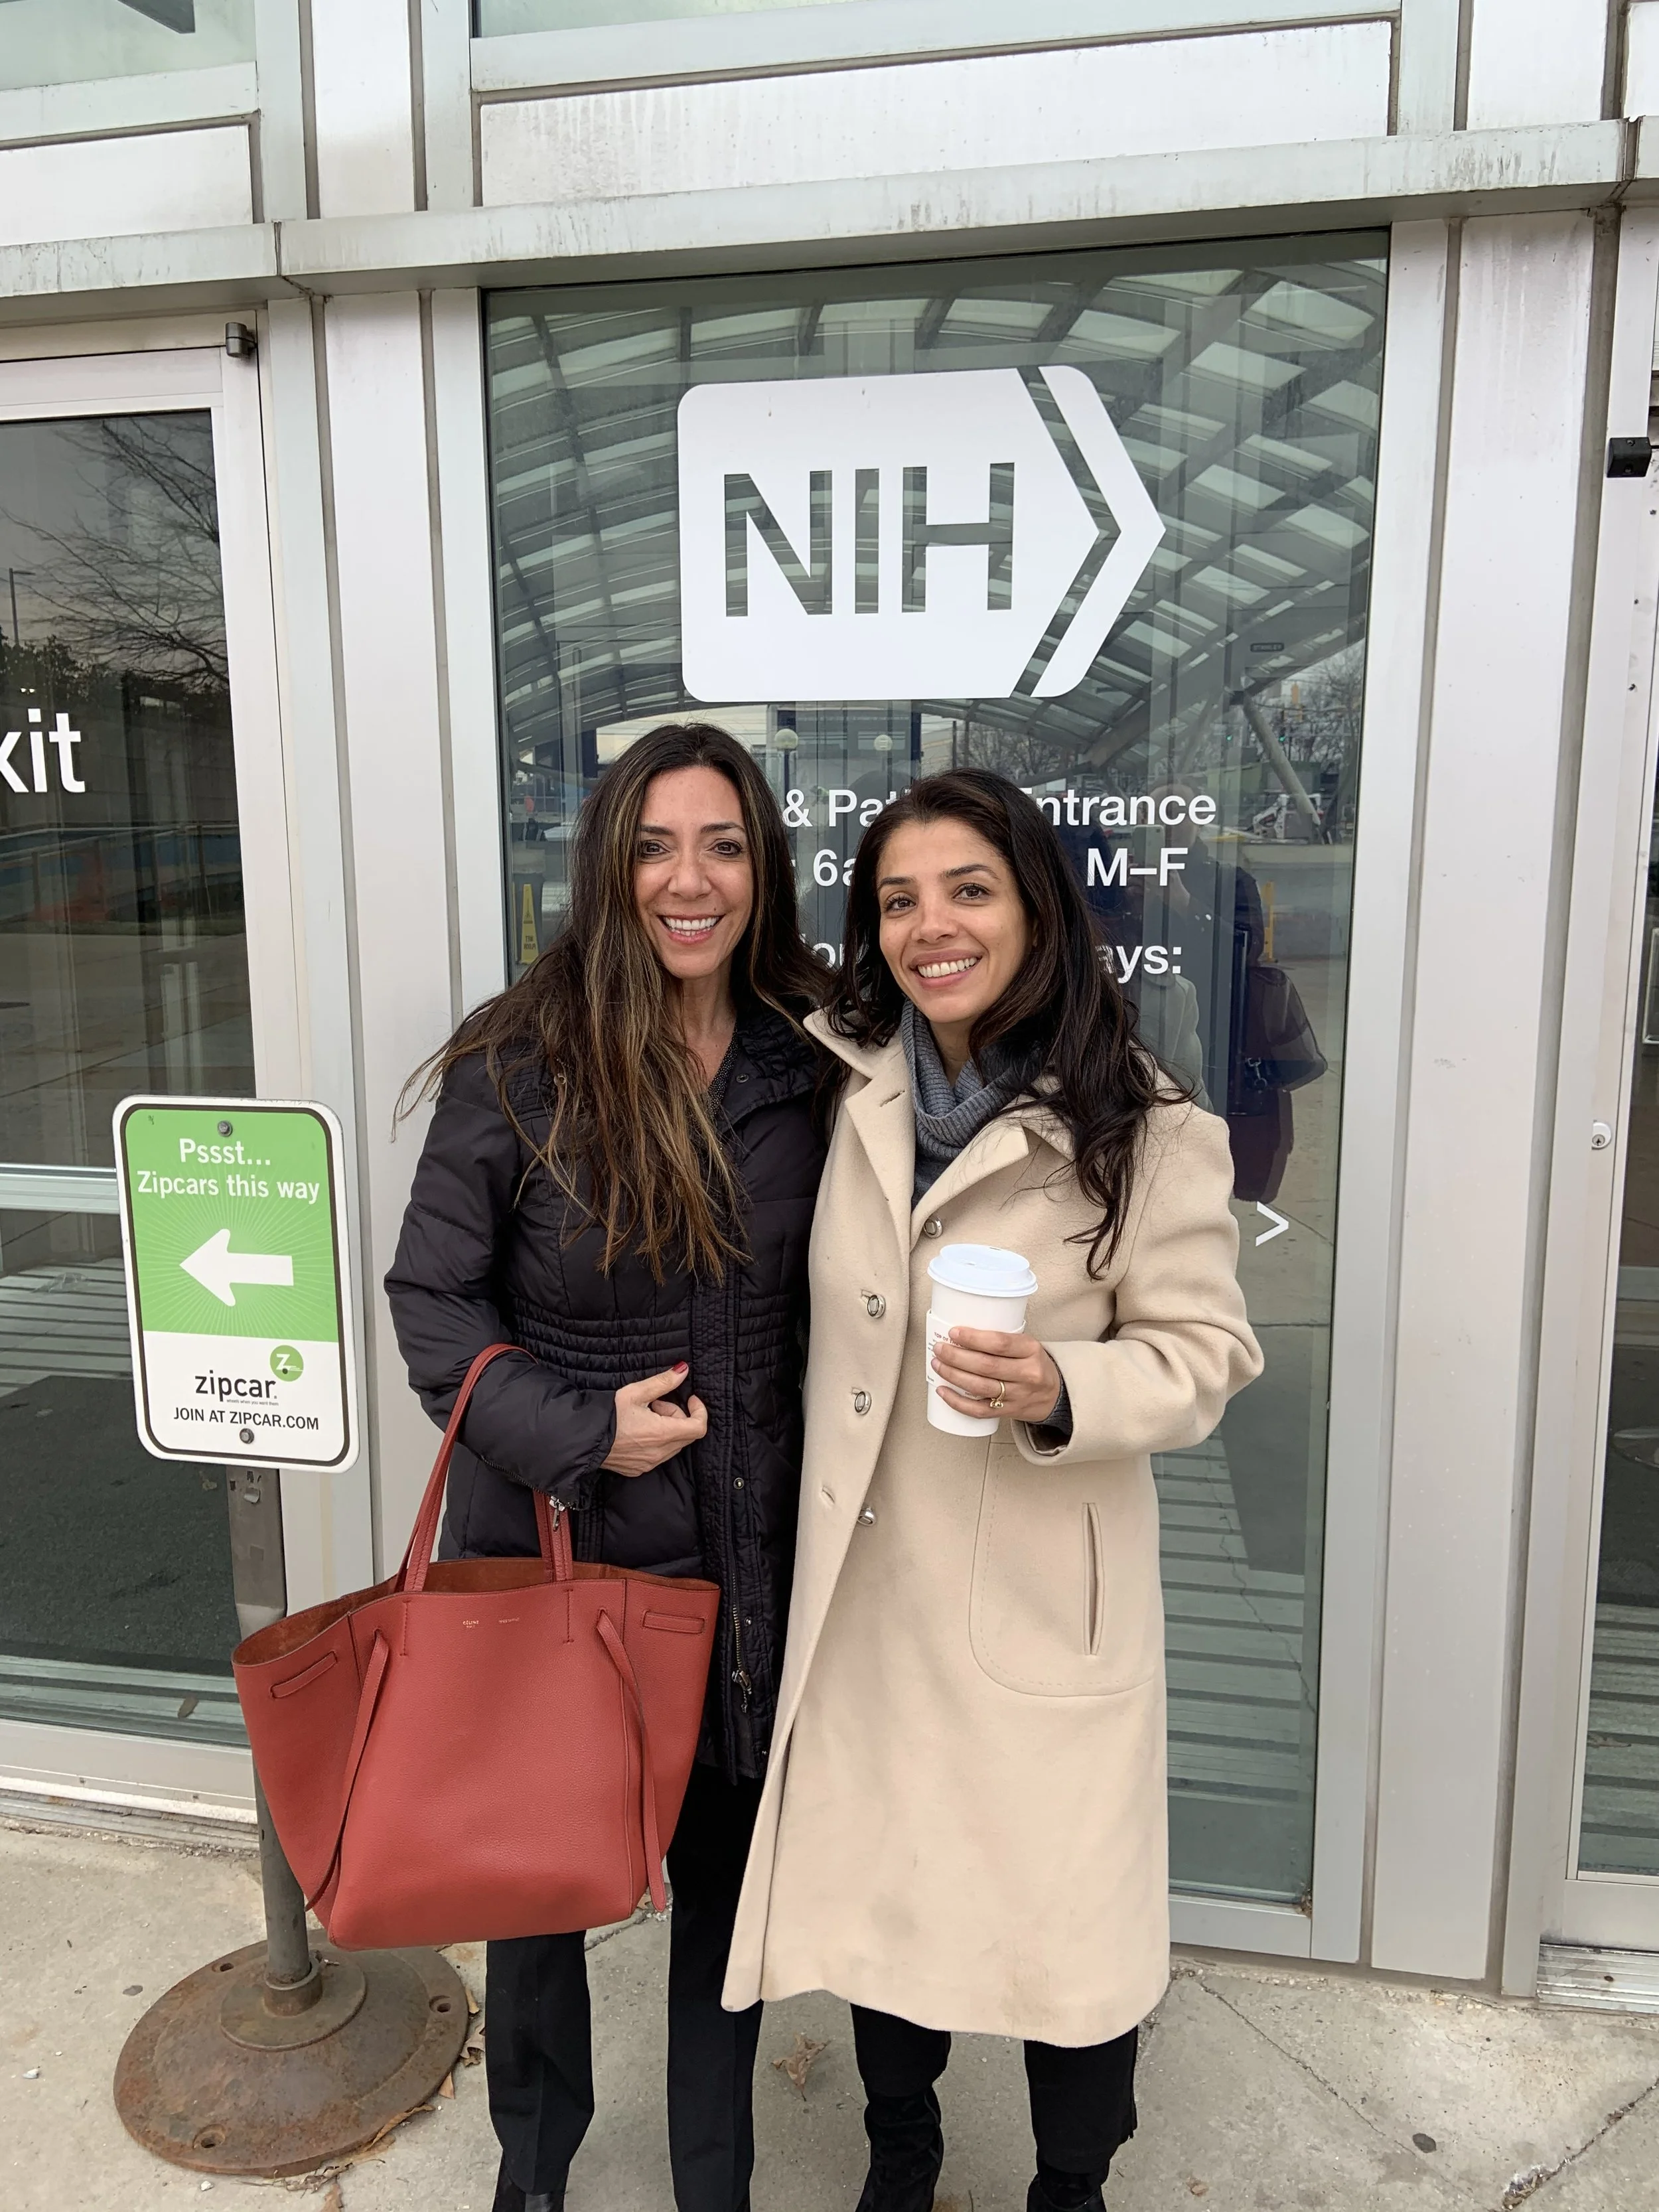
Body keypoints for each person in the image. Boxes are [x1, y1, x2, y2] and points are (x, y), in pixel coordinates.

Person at [723, 769, 1262, 2212]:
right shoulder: (840, 1083)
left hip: (1036, 1595)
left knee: (1061, 1925)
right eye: (897, 897)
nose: (929, 926)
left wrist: (1064, 1387)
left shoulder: (1145, 1127)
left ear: (1035, 908)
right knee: (892, 1891)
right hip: (867, 1582)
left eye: (967, 889)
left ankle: (1070, 2184)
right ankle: (901, 2153)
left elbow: (1207, 1353)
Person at [385, 721, 828, 2212]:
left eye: (720, 845)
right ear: (605, 864)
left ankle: (718, 2187)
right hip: (563, 1560)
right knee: (540, 1899)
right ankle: (535, 2177)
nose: (686, 881)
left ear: (761, 867)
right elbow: (430, 1303)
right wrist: (583, 1433)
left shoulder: (815, 1054)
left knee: (722, 1911)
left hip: (743, 1567)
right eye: (652, 846)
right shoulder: (522, 1059)